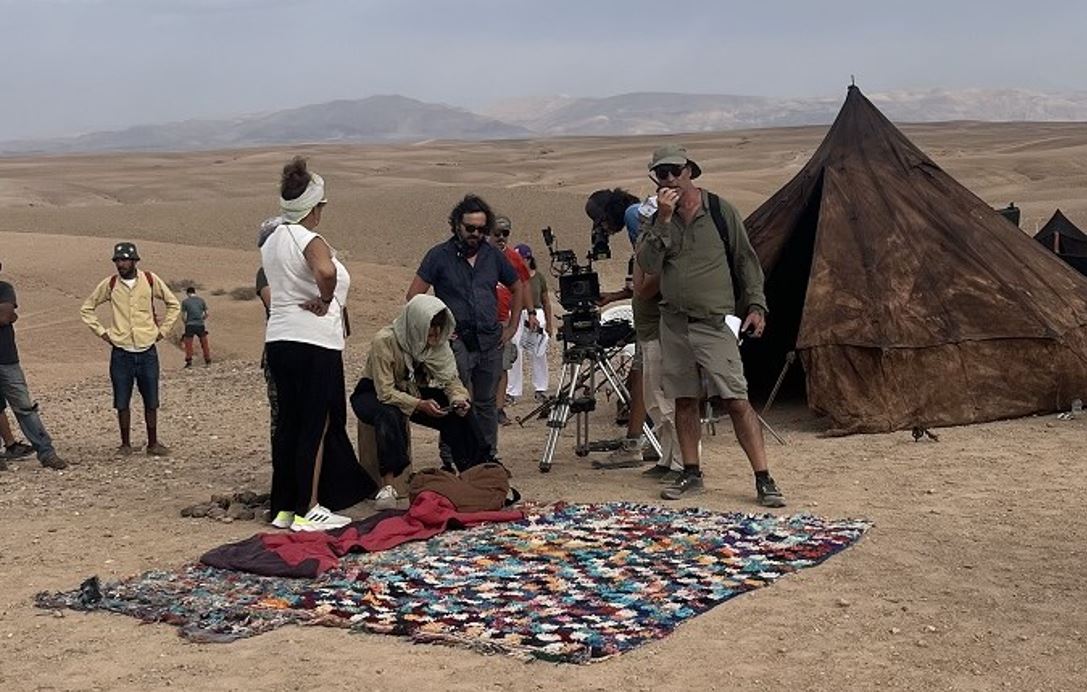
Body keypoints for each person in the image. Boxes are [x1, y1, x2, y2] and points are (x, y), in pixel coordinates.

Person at [636, 144, 785, 506]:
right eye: (661, 173)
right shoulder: (657, 220)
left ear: (689, 171)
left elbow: (745, 260)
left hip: (713, 322)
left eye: (674, 170)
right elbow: (648, 265)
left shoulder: (719, 211)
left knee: (735, 399)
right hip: (673, 322)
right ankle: (691, 471)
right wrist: (665, 222)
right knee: (685, 400)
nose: (669, 178)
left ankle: (764, 478)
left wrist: (756, 305)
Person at [261, 157, 374, 532]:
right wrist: (326, 300)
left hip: (280, 339)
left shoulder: (274, 238)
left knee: (290, 423)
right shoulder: (310, 239)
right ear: (315, 207)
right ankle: (308, 508)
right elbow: (324, 271)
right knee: (317, 422)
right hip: (313, 341)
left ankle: (285, 507)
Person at [351, 295, 492, 509]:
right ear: (417, 323)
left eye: (438, 326)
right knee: (389, 413)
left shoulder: (436, 343)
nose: (435, 332)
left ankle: (474, 469)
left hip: (410, 390)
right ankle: (388, 486)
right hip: (373, 393)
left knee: (458, 412)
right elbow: (385, 392)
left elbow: (451, 380)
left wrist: (458, 399)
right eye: (430, 326)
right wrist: (419, 405)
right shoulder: (385, 340)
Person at [406, 194, 522, 454]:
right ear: (457, 225)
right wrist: (436, 331)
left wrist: (512, 326)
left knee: (486, 403)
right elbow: (414, 296)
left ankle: (487, 457)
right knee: (456, 400)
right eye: (470, 228)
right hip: (456, 342)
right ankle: (451, 455)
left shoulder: (493, 256)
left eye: (482, 229)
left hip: (490, 340)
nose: (476, 234)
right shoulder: (438, 256)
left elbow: (517, 285)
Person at [80, 242, 180, 457]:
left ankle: (153, 443)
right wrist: (103, 333)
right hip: (121, 350)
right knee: (122, 399)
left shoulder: (150, 280)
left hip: (147, 348)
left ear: (135, 261)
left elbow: (173, 304)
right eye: (118, 260)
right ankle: (125, 444)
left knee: (151, 398)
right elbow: (87, 308)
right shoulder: (110, 284)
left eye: (125, 259)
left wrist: (162, 331)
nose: (121, 264)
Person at [587, 189, 651, 466]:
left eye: (599, 220)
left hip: (657, 314)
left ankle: (634, 443)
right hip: (657, 306)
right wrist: (612, 297)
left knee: (641, 374)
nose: (601, 228)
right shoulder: (644, 213)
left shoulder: (634, 215)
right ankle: (648, 439)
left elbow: (652, 266)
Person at [0, 260, 67, 470]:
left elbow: (3, 316)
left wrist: (8, 315)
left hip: (6, 359)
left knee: (25, 407)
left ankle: (46, 452)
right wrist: (9, 315)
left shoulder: (4, 289)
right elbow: (6, 316)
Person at [488, 216, 531, 425]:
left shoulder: (513, 257)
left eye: (506, 233)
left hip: (503, 319)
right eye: (497, 233)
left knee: (503, 365)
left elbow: (524, 285)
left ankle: (498, 409)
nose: (501, 237)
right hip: (480, 320)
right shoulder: (478, 255)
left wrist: (529, 313)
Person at [506, 243, 553, 403]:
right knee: (515, 351)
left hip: (535, 313)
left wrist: (549, 323)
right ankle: (512, 390)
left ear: (529, 258)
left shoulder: (538, 277)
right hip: (516, 313)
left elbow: (546, 301)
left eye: (522, 259)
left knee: (537, 351)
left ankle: (540, 388)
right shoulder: (510, 277)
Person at [180, 286, 211, 368]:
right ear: (195, 292)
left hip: (190, 324)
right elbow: (207, 313)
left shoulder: (185, 302)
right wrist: (202, 320)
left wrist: (186, 323)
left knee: (189, 344)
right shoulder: (201, 301)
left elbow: (183, 316)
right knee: (204, 343)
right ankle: (208, 360)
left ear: (187, 293)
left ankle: (189, 362)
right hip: (200, 324)